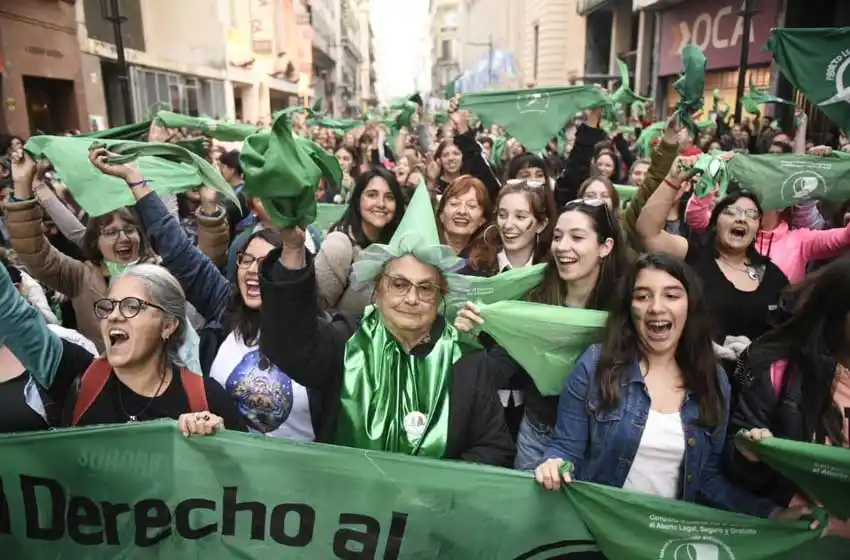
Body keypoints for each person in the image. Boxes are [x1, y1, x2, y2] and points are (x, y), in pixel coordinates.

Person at [534, 253, 812, 522]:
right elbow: (565, 448)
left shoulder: (713, 380)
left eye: (671, 295)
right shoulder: (595, 365)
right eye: (642, 296)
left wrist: (771, 513)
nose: (656, 307)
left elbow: (708, 479)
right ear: (629, 308)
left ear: (690, 305)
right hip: (599, 529)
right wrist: (554, 464)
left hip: (668, 541)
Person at [258, 184, 515, 465]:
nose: (412, 298)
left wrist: (435, 489)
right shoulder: (348, 339)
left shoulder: (467, 360)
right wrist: (294, 250)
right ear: (378, 289)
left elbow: (493, 447)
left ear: (441, 296)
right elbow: (290, 344)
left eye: (426, 288)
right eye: (399, 284)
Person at [456, 198, 627, 470]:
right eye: (558, 236)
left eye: (577, 237)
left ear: (605, 246)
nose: (562, 246)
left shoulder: (625, 304)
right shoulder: (536, 296)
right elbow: (501, 364)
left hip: (602, 438)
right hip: (537, 434)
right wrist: (469, 337)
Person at [0, 258, 246, 434]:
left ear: (168, 325)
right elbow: (13, 315)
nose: (114, 316)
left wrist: (220, 444)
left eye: (131, 306)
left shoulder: (204, 398)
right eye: (109, 306)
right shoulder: (80, 376)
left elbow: (251, 479)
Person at [728, 257, 850, 536]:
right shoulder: (777, 372)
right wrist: (751, 456)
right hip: (806, 540)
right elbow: (733, 462)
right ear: (838, 311)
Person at [636, 155, 789, 367]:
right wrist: (673, 180)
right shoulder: (694, 258)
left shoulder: (773, 276)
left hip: (751, 387)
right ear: (715, 223)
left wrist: (756, 351)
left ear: (756, 230)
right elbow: (648, 232)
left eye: (751, 215)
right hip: (696, 375)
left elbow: (791, 333)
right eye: (731, 212)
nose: (741, 218)